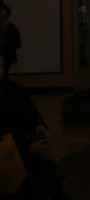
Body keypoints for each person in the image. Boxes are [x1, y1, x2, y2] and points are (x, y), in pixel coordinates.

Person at [0, 56, 67, 200]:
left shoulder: (13, 89)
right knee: (35, 161)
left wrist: (38, 125)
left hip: (22, 141)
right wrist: (26, 147)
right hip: (8, 148)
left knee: (41, 154)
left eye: (0, 66)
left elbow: (31, 112)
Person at [0, 2, 22, 79]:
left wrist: (5, 43)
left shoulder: (13, 28)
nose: (1, 14)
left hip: (7, 57)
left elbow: (18, 43)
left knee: (4, 77)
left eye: (3, 12)